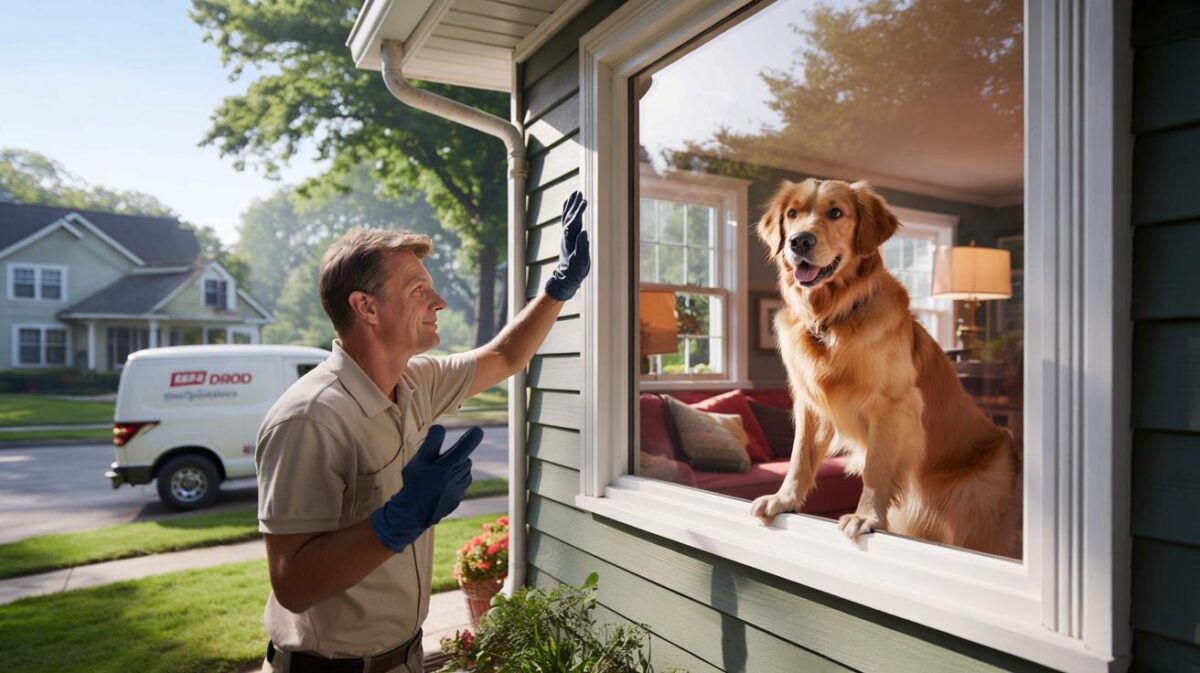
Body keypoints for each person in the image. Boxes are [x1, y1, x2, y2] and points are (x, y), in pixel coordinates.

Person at [255, 192, 590, 673]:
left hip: (405, 659)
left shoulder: (415, 382)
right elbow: (292, 584)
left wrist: (557, 289)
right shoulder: (310, 418)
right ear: (366, 307)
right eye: (418, 289)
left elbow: (504, 357)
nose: (440, 301)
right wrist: (400, 518)